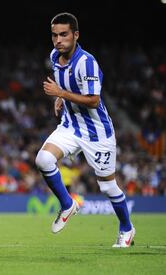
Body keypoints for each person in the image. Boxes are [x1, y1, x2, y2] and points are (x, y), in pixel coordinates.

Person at [35, 13, 135, 248]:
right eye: (54, 35)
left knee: (108, 186)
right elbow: (66, 85)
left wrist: (60, 94)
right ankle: (68, 204)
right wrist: (61, 98)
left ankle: (127, 228)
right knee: (43, 159)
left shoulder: (87, 62)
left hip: (97, 133)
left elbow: (92, 100)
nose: (58, 40)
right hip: (71, 126)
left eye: (63, 34)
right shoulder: (54, 56)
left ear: (76, 35)